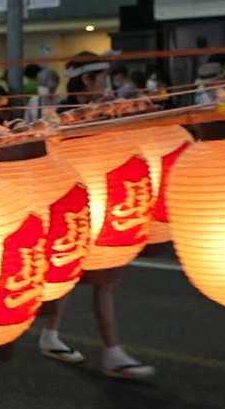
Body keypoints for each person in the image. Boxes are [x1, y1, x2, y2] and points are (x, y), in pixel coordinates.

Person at [35, 53, 158, 380]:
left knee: (86, 278)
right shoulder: (59, 118)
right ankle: (113, 352)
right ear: (85, 81)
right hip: (79, 206)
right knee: (97, 280)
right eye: (101, 78)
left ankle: (52, 334)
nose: (107, 84)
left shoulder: (99, 110)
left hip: (100, 202)